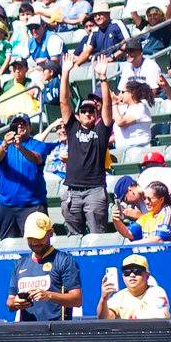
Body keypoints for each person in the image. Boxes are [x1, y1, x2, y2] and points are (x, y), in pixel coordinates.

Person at [59, 57, 113, 234]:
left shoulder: (101, 129)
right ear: (79, 114)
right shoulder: (72, 127)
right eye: (84, 111)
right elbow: (64, 101)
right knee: (73, 236)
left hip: (95, 190)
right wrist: (65, 73)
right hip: (72, 191)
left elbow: (108, 105)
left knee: (98, 234)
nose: (88, 113)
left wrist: (103, 77)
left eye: (91, 111)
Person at [7, 212, 83, 322]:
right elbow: (10, 302)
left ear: (50, 233)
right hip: (27, 334)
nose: (34, 242)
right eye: (30, 238)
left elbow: (77, 300)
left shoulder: (64, 260)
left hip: (56, 332)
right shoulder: (19, 264)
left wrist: (48, 295)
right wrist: (17, 303)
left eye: (39, 237)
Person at [0, 115, 56, 238]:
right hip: (6, 205)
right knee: (6, 246)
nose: (20, 126)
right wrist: (5, 144)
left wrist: (20, 147)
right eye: (16, 124)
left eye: (23, 123)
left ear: (29, 127)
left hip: (33, 205)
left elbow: (36, 158)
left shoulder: (38, 144)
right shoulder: (1, 144)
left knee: (38, 242)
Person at [97, 254, 170, 320]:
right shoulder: (119, 297)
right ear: (123, 276)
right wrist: (103, 298)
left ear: (147, 275)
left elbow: (157, 324)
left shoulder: (157, 292)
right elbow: (106, 319)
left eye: (137, 271)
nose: (132, 275)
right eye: (127, 272)